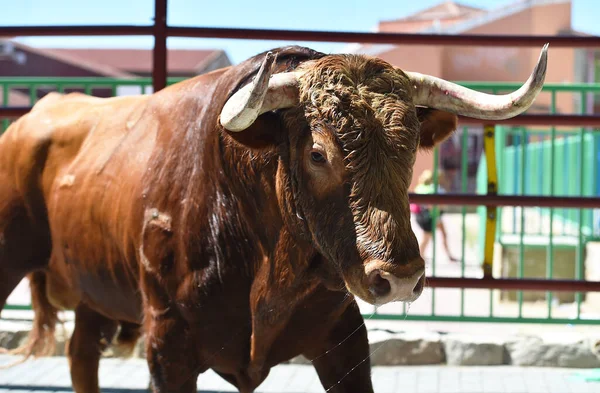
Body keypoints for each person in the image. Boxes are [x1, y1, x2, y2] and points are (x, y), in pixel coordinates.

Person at [410, 169, 459, 263]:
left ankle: (448, 255)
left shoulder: (420, 188)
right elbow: (432, 205)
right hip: (431, 217)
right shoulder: (432, 189)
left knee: (440, 234)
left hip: (429, 216)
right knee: (427, 238)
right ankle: (419, 257)